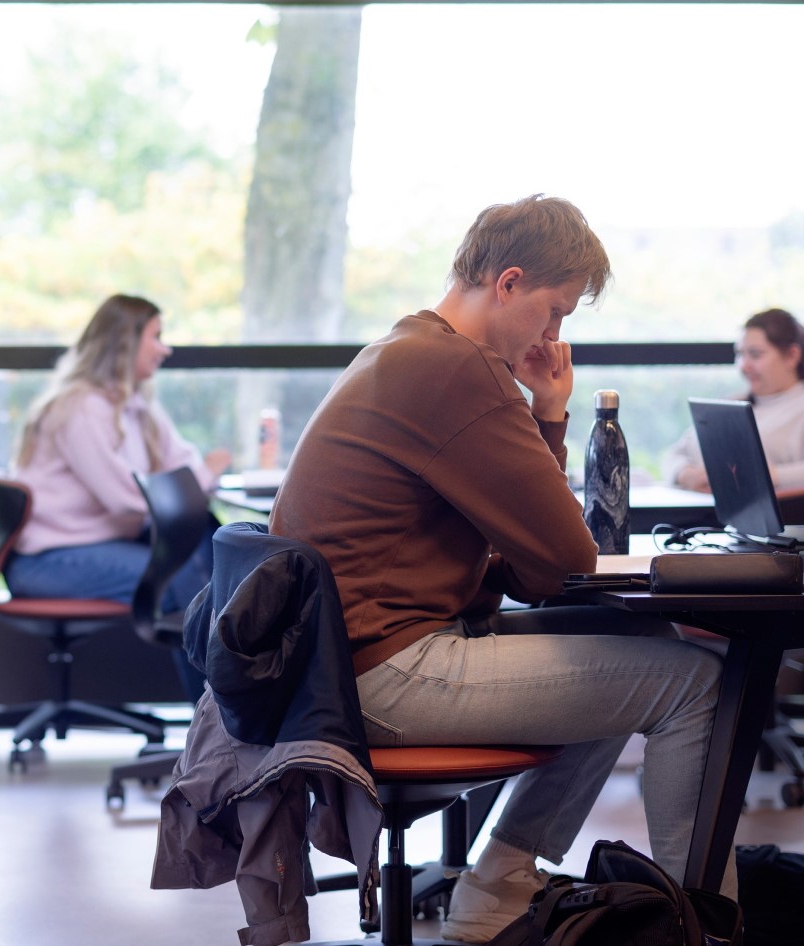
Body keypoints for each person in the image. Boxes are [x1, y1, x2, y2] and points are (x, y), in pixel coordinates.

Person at [270, 195, 722, 943]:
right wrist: (543, 415)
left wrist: (546, 412)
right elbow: (561, 562)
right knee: (693, 679)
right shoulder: (458, 369)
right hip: (382, 676)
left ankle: (499, 885)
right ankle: (698, 924)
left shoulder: (408, 347)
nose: (553, 337)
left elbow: (527, 557)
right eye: (554, 312)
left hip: (336, 672)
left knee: (632, 651)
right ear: (507, 283)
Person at [5, 294, 229, 692]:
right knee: (182, 582)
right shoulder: (80, 408)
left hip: (92, 546)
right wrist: (203, 474)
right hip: (49, 562)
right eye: (156, 337)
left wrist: (198, 475)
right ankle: (213, 730)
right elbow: (126, 498)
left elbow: (181, 462)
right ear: (125, 342)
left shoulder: (134, 404)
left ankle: (224, 720)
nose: (166, 349)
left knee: (210, 556)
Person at [665, 307, 804, 492]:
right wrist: (685, 474)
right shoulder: (732, 405)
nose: (743, 366)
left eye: (755, 354)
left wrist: (771, 476)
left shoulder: (798, 409)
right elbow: (675, 453)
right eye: (740, 354)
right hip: (707, 511)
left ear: (792, 356)